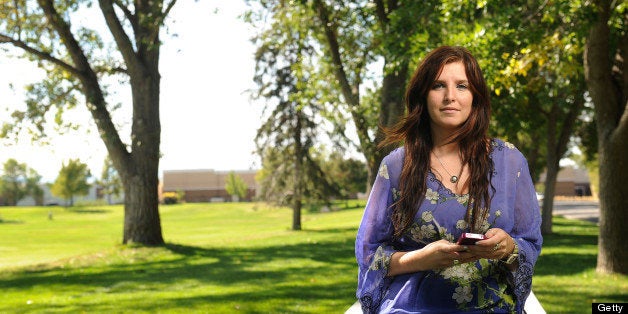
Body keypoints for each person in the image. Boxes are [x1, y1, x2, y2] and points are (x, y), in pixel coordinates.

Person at [355, 46, 542, 313]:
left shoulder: (510, 161)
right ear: (423, 95)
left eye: (462, 86)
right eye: (438, 85)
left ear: (476, 96)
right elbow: (369, 255)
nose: (450, 96)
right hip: (412, 307)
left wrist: (506, 247)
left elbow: (530, 244)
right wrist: (421, 258)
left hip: (494, 306)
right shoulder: (396, 166)